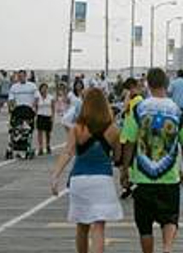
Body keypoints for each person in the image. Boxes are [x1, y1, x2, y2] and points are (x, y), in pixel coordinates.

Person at [120, 68, 183, 253]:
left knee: (144, 226)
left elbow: (129, 142)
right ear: (167, 85)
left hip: (142, 178)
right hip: (169, 177)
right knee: (170, 218)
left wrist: (124, 169)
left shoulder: (139, 109)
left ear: (148, 84)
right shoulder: (178, 111)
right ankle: (167, 248)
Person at [51, 88, 123, 253]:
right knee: (98, 227)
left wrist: (55, 176)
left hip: (79, 180)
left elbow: (67, 152)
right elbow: (118, 157)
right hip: (102, 181)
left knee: (82, 226)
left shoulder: (78, 128)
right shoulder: (113, 129)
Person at [36, 83, 55, 156]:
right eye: (43, 88)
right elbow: (36, 107)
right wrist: (35, 116)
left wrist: (52, 117)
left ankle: (48, 145)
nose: (44, 89)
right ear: (40, 89)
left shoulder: (51, 97)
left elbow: (53, 108)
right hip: (40, 115)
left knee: (48, 133)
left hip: (48, 115)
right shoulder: (38, 97)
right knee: (39, 132)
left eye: (45, 88)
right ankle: (40, 147)